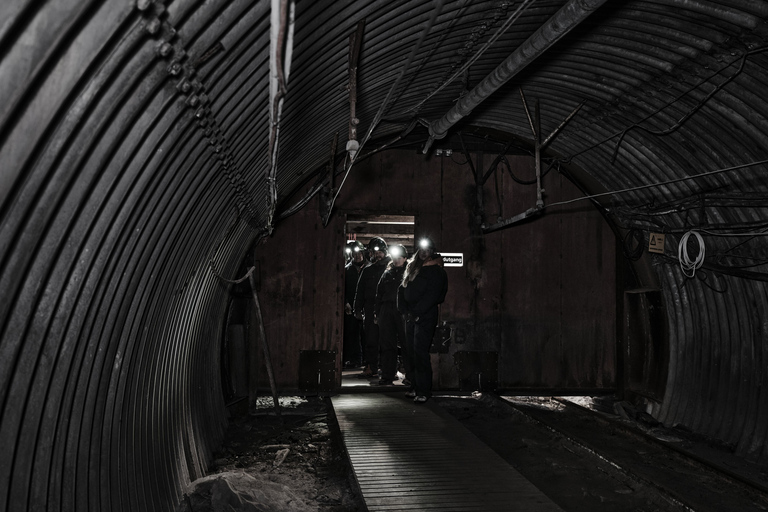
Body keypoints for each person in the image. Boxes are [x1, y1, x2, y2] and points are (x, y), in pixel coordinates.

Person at [398, 237, 448, 403]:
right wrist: (404, 310)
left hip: (425, 315)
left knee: (420, 352)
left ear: (432, 251)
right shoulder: (413, 268)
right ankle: (414, 386)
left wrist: (418, 312)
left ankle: (424, 391)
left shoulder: (437, 271)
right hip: (411, 315)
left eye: (427, 250)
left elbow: (433, 295)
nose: (424, 252)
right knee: (410, 352)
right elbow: (402, 288)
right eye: (422, 249)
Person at [353, 237, 391, 379]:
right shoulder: (367, 270)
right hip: (370, 308)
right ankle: (371, 366)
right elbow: (360, 290)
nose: (377, 255)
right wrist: (357, 308)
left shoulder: (391, 268)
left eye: (380, 252)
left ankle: (387, 368)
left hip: (386, 308)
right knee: (371, 339)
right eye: (374, 253)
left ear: (385, 252)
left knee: (387, 340)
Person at [373, 244, 408, 386]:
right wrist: (377, 312)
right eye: (394, 257)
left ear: (405, 258)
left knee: (406, 344)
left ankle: (410, 376)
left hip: (403, 310)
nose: (396, 260)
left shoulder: (409, 273)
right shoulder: (388, 273)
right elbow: (379, 293)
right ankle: (388, 375)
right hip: (387, 309)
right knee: (387, 344)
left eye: (399, 258)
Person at [343, 240, 367, 368]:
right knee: (352, 334)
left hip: (365, 306)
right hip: (351, 307)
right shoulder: (347, 270)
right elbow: (343, 288)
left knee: (366, 334)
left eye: (359, 253)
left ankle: (367, 360)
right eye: (355, 253)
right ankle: (355, 360)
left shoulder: (369, 268)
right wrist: (346, 302)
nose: (357, 256)